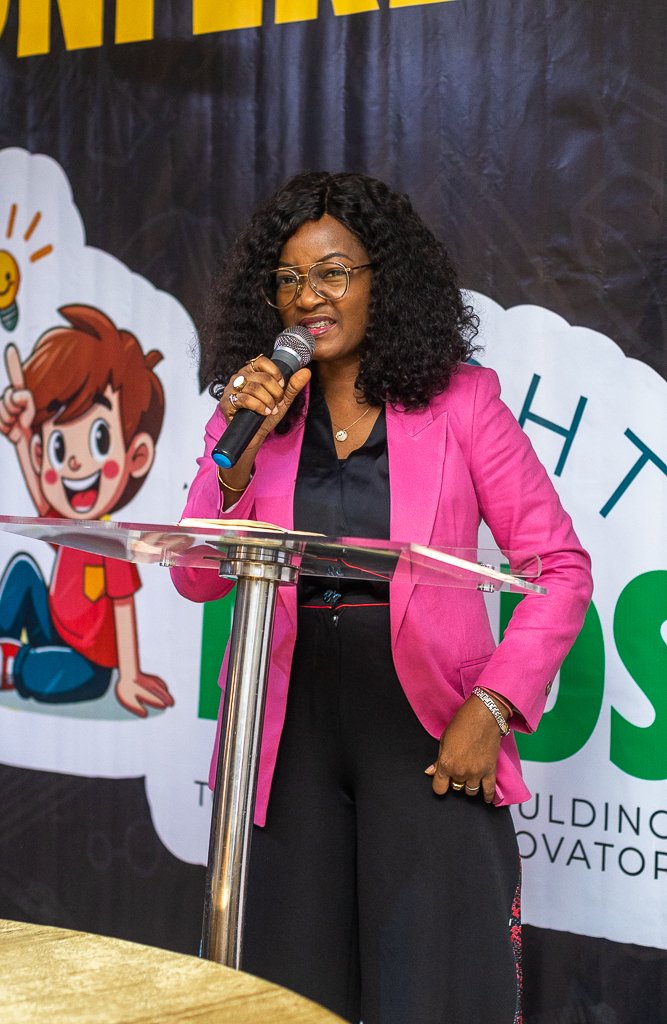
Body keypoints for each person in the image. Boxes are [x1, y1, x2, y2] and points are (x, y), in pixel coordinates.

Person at [172, 172, 592, 1024]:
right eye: (289, 278)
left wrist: (492, 705)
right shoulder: (249, 414)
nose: (308, 297)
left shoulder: (461, 404)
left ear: (382, 282)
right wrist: (239, 457)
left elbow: (558, 567)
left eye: (332, 272)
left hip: (426, 730)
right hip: (284, 731)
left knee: (435, 992)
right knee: (287, 998)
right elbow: (196, 575)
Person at [0, 305, 173, 717]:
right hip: (53, 626)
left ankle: (16, 663)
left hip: (90, 663)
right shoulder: (67, 523)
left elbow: (123, 608)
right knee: (22, 571)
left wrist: (128, 675)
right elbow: (40, 493)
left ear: (137, 455)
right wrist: (21, 438)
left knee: (49, 675)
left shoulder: (111, 541)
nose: (74, 462)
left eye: (99, 438)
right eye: (58, 447)